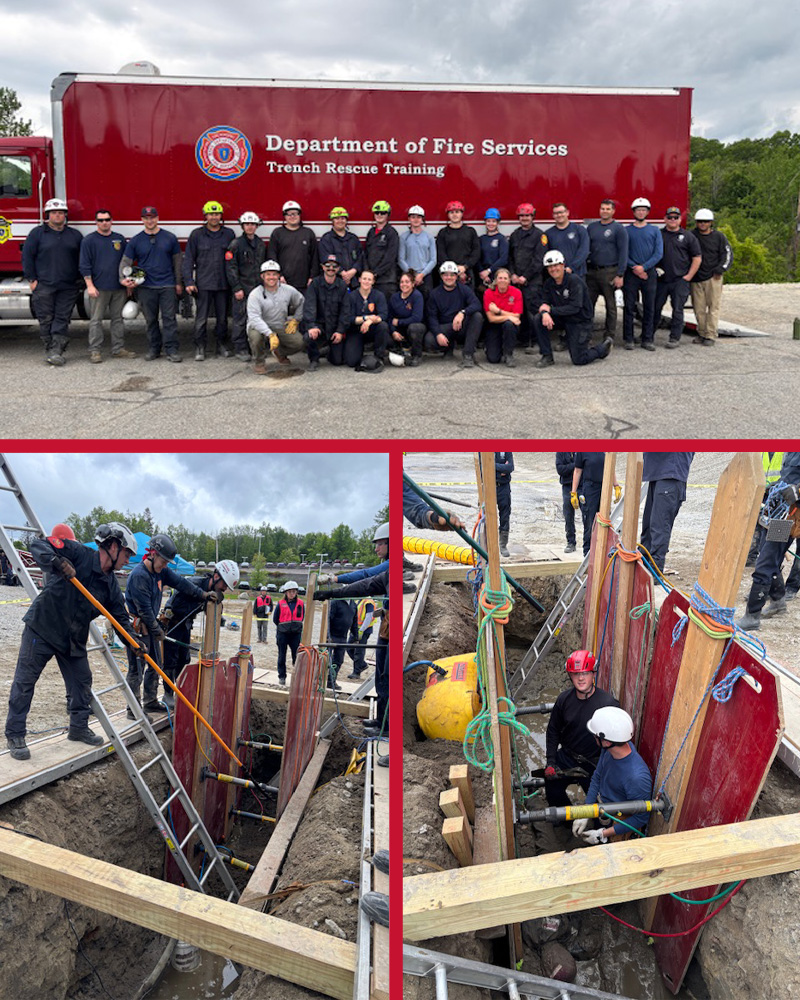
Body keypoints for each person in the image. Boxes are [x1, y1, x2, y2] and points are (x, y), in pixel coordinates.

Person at [5, 522, 137, 760]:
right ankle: (15, 733)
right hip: (43, 628)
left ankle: (78, 728)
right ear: (114, 546)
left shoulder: (110, 586)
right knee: (25, 681)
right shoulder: (79, 554)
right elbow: (39, 545)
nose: (128, 560)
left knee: (82, 680)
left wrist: (136, 644)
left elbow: (121, 619)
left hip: (73, 637)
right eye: (127, 554)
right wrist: (57, 562)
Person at [124, 534, 217, 715]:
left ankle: (150, 701)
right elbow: (144, 610)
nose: (165, 565)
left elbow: (183, 584)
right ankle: (132, 709)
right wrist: (157, 629)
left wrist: (203, 595)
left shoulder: (161, 572)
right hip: (138, 628)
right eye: (163, 561)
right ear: (152, 554)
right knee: (137, 669)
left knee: (156, 665)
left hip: (150, 627)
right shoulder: (139, 576)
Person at [543, 650, 620, 808]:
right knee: (552, 788)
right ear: (570, 675)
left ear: (593, 673)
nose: (581, 678)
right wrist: (551, 761)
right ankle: (565, 823)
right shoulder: (564, 700)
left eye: (585, 673)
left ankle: (600, 830)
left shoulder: (607, 703)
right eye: (576, 674)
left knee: (601, 807)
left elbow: (618, 741)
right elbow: (553, 731)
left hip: (594, 762)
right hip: (567, 756)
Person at [161, 559, 238, 706]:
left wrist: (217, 604)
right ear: (216, 577)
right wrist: (204, 596)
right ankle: (168, 694)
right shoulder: (193, 584)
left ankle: (179, 690)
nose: (224, 589)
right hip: (173, 623)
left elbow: (212, 613)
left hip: (185, 626)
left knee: (184, 659)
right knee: (170, 661)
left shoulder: (212, 591)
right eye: (224, 585)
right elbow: (177, 601)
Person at [572, 706, 653, 844]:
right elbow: (597, 777)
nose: (593, 737)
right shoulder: (609, 751)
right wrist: (585, 811)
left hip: (620, 821)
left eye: (595, 735)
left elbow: (641, 818)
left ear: (607, 741)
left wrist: (603, 834)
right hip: (605, 809)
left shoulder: (637, 777)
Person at [738, 453, 800, 631]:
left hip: (790, 515)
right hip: (782, 511)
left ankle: (752, 616)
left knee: (766, 560)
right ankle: (778, 599)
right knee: (769, 555)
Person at [22, 197, 83, 366]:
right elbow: (27, 257)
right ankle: (50, 348)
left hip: (68, 285)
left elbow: (82, 259)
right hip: (44, 284)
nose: (57, 216)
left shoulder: (74, 235)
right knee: (46, 318)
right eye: (54, 213)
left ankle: (57, 351)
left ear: (65, 215)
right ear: (47, 215)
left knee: (62, 318)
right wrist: (32, 279)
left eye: (60, 213)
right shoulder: (37, 233)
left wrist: (81, 279)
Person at [120, 206, 183, 362]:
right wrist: (124, 278)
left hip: (167, 285)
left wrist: (178, 282)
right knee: (150, 320)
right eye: (146, 218)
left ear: (157, 218)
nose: (150, 220)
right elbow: (125, 262)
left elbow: (178, 262)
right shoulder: (135, 240)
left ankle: (171, 350)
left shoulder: (170, 238)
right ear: (142, 220)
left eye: (152, 217)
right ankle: (154, 349)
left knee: (169, 319)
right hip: (146, 287)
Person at [532, 250, 613, 369]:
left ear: (563, 265)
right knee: (538, 319)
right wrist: (544, 312)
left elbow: (575, 307)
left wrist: (550, 310)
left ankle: (602, 349)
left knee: (579, 359)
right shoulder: (549, 283)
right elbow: (544, 302)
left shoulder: (574, 281)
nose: (553, 269)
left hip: (580, 321)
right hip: (563, 318)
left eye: (556, 265)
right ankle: (547, 356)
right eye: (550, 267)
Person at [79, 209, 136, 363]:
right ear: (96, 222)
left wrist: (128, 282)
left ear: (111, 221)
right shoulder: (89, 241)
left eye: (107, 219)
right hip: (99, 288)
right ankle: (95, 351)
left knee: (117, 319)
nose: (104, 223)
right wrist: (90, 286)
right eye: (100, 220)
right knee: (96, 320)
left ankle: (118, 349)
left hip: (118, 287)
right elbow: (84, 265)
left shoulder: (119, 239)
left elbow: (127, 263)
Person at [183, 200, 237, 361]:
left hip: (223, 284)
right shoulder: (197, 235)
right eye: (211, 214)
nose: (214, 217)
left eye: (217, 214)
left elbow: (233, 260)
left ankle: (221, 344)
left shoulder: (229, 234)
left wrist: (234, 282)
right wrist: (188, 281)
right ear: (205, 215)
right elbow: (188, 260)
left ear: (221, 216)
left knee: (222, 318)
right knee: (201, 318)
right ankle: (200, 347)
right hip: (203, 284)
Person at [653, 207, 702, 348]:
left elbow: (697, 257)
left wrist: (689, 276)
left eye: (675, 218)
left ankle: (674, 338)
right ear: (665, 219)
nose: (672, 220)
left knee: (678, 310)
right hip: (661, 280)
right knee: (655, 309)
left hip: (680, 280)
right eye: (670, 217)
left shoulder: (688, 236)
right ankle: (648, 335)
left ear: (680, 219)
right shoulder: (658, 234)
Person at [246, 260, 305, 374]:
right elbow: (254, 318)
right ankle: (259, 362)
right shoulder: (255, 294)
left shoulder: (288, 290)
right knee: (256, 338)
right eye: (268, 274)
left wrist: (296, 319)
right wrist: (270, 334)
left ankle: (280, 353)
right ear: (262, 276)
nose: (271, 277)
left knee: (300, 342)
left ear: (279, 276)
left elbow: (302, 302)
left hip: (279, 324)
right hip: (258, 326)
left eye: (274, 274)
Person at [640, 452, 695, 572]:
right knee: (648, 527)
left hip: (670, 474)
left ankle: (654, 572)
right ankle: (644, 567)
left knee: (658, 528)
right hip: (661, 473)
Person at [622, 197, 663, 351]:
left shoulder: (654, 231)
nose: (641, 212)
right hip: (631, 273)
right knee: (629, 306)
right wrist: (635, 268)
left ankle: (647, 339)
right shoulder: (626, 230)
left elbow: (658, 253)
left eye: (644, 210)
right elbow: (623, 253)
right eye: (638, 210)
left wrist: (644, 267)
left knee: (649, 307)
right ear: (634, 212)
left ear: (647, 212)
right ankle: (629, 339)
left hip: (649, 273)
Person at [425, 260, 483, 367]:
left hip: (461, 326)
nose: (449, 277)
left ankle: (468, 354)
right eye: (446, 275)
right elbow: (431, 317)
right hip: (446, 327)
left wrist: (462, 312)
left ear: (457, 276)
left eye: (452, 275)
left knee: (477, 316)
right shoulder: (434, 294)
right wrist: (438, 334)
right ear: (441, 276)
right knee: (430, 341)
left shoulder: (464, 290)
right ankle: (448, 348)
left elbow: (477, 304)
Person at [226, 211, 267, 361]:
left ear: (257, 226)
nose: (250, 227)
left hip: (257, 289)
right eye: (247, 224)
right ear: (242, 226)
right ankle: (240, 348)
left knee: (258, 318)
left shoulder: (261, 244)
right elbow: (231, 268)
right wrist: (236, 288)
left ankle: (255, 347)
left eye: (252, 224)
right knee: (240, 319)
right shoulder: (235, 244)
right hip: (242, 289)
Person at [585, 200, 628, 340]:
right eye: (602, 208)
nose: (604, 211)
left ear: (613, 211)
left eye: (607, 209)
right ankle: (586, 334)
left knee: (611, 306)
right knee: (588, 305)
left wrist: (620, 274)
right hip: (592, 272)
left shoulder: (619, 229)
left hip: (610, 271)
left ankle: (609, 336)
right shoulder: (591, 228)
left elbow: (623, 253)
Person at [690, 209, 733, 346]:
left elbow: (727, 254)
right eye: (700, 221)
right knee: (698, 308)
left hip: (713, 277)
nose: (702, 224)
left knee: (713, 307)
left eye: (706, 221)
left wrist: (721, 269)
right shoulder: (691, 236)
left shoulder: (719, 237)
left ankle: (711, 335)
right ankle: (702, 333)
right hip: (696, 278)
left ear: (711, 222)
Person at [508, 202, 548, 350]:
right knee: (520, 311)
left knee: (533, 313)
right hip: (516, 280)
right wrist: (512, 274)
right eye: (522, 216)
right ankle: (524, 340)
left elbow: (539, 260)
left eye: (527, 215)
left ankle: (537, 342)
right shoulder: (514, 235)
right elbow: (510, 258)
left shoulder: (540, 236)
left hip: (532, 282)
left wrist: (525, 277)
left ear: (533, 217)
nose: (524, 218)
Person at [302, 256, 350, 372]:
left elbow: (345, 311)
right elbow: (309, 307)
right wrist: (312, 326)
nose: (331, 268)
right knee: (308, 336)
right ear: (322, 267)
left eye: (334, 266)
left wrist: (340, 331)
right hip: (320, 327)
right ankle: (314, 359)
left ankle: (327, 351)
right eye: (328, 266)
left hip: (334, 329)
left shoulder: (342, 286)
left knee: (337, 361)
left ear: (338, 269)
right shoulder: (315, 284)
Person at [572, 452, 621, 557]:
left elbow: (611, 468)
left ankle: (602, 552)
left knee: (605, 520)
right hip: (590, 488)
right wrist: (574, 492)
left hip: (604, 487)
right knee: (590, 522)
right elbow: (577, 471)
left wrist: (616, 485)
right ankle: (588, 554)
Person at [340, 270, 390, 369]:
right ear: (359, 280)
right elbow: (349, 318)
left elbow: (383, 315)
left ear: (373, 282)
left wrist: (370, 321)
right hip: (355, 330)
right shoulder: (351, 296)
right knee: (352, 362)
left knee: (383, 326)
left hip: (372, 329)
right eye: (364, 279)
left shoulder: (379, 295)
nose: (366, 281)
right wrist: (365, 318)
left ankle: (379, 356)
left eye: (369, 279)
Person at [269, 200, 319, 290]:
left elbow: (315, 257)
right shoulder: (277, 233)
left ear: (300, 215)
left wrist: (312, 277)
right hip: (283, 283)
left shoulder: (308, 233)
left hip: (304, 284)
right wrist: (278, 275)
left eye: (295, 213)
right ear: (284, 216)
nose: (292, 216)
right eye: (289, 214)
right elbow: (272, 256)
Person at [748, 453, 786, 566]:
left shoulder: (787, 452)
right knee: (755, 522)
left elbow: (790, 474)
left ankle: (774, 562)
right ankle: (752, 557)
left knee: (777, 526)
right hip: (761, 491)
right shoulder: (761, 451)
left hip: (781, 495)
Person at [483, 267, 522, 367]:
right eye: (500, 278)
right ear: (496, 280)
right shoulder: (488, 293)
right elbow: (491, 319)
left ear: (509, 280)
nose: (503, 281)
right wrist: (509, 316)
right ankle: (491, 346)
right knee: (493, 359)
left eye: (505, 278)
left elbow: (517, 316)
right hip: (494, 326)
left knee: (509, 324)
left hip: (509, 326)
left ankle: (508, 354)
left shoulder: (516, 292)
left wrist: (498, 311)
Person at [435, 200, 480, 286]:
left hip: (467, 273)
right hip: (448, 274)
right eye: (451, 212)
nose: (454, 215)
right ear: (448, 215)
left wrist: (465, 267)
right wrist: (453, 269)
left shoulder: (470, 231)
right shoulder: (443, 233)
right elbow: (441, 253)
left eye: (457, 212)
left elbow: (476, 252)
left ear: (462, 213)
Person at [365, 200, 400, 304]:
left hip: (387, 281)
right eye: (377, 212)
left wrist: (376, 273)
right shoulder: (371, 232)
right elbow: (366, 254)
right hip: (371, 281)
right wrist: (368, 273)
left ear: (388, 215)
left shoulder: (392, 233)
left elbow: (390, 257)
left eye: (383, 213)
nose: (379, 215)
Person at [388, 270, 425, 365]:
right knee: (384, 330)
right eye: (402, 282)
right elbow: (390, 317)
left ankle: (417, 355)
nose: (404, 284)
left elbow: (417, 318)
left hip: (412, 328)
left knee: (415, 327)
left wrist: (399, 322)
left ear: (413, 284)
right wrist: (393, 332)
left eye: (407, 282)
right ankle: (398, 351)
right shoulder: (394, 297)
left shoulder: (417, 296)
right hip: (399, 330)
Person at [318, 207, 363, 288]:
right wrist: (342, 273)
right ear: (332, 221)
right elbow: (325, 259)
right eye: (337, 219)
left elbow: (361, 257)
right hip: (334, 282)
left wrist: (353, 271)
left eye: (342, 218)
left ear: (346, 220)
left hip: (354, 282)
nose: (340, 221)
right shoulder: (326, 239)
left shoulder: (353, 239)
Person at [399, 206, 436, 295]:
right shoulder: (404, 237)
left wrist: (422, 274)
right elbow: (401, 259)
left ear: (422, 219)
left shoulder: (429, 237)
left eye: (419, 217)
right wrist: (412, 275)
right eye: (413, 217)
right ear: (409, 219)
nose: (416, 220)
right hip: (409, 277)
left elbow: (433, 260)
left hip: (425, 277)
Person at [273, 580, 305, 685]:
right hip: (283, 634)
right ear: (286, 592)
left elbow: (302, 617)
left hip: (295, 634)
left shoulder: (300, 603)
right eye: (290, 591)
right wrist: (284, 626)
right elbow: (275, 619)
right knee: (282, 656)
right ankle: (282, 677)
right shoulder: (280, 604)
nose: (292, 593)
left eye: (294, 591)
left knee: (297, 656)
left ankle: (297, 676)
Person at [545, 203, 589, 277]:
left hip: (578, 274)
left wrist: (572, 267)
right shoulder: (548, 233)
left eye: (561, 212)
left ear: (567, 212)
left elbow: (584, 251)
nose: (559, 215)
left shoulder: (579, 229)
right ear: (553, 215)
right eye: (556, 213)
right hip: (558, 276)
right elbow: (547, 255)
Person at [477, 209, 509, 292]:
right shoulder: (481, 239)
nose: (491, 224)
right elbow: (477, 257)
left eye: (494, 221)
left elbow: (503, 259)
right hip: (483, 277)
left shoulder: (502, 239)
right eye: (488, 221)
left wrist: (489, 271)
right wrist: (482, 273)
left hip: (497, 276)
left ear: (498, 223)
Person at [346, 596, 376, 679]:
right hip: (356, 629)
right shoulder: (360, 600)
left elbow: (369, 617)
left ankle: (356, 672)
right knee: (349, 648)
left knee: (359, 651)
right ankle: (362, 665)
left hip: (363, 630)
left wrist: (362, 630)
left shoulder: (368, 601)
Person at [555, 452, 579, 553]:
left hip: (581, 485)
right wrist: (576, 465)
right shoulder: (561, 452)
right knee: (568, 514)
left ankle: (591, 543)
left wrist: (571, 467)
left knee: (588, 514)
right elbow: (560, 469)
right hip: (567, 486)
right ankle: (571, 542)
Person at [495, 452, 514, 557]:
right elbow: (483, 468)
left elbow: (510, 467)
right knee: (489, 516)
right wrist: (500, 471)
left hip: (504, 487)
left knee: (505, 516)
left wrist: (494, 467)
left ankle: (503, 545)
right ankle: (489, 545)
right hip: (490, 486)